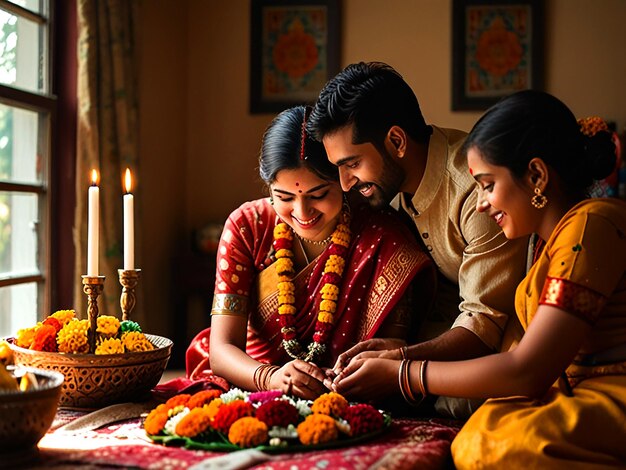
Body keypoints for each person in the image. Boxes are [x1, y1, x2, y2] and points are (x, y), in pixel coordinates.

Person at [330, 90, 626, 467]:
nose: (482, 203)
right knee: (480, 432)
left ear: (535, 175)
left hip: (609, 390)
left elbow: (528, 370)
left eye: (487, 184)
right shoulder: (547, 242)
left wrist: (402, 372)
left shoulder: (590, 225)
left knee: (496, 446)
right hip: (569, 390)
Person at [307, 61, 529, 416]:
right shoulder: (395, 189)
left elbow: (484, 324)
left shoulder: (476, 192)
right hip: (458, 343)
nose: (346, 183)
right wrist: (390, 351)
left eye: (352, 164)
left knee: (452, 406)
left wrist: (400, 361)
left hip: (514, 347)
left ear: (396, 141)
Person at [185, 105, 435, 400]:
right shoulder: (248, 227)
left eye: (318, 195)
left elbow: (390, 352)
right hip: (251, 382)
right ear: (269, 189)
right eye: (284, 197)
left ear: (344, 181)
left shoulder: (383, 237)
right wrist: (270, 377)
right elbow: (222, 350)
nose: (302, 213)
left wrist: (341, 380)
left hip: (347, 393)